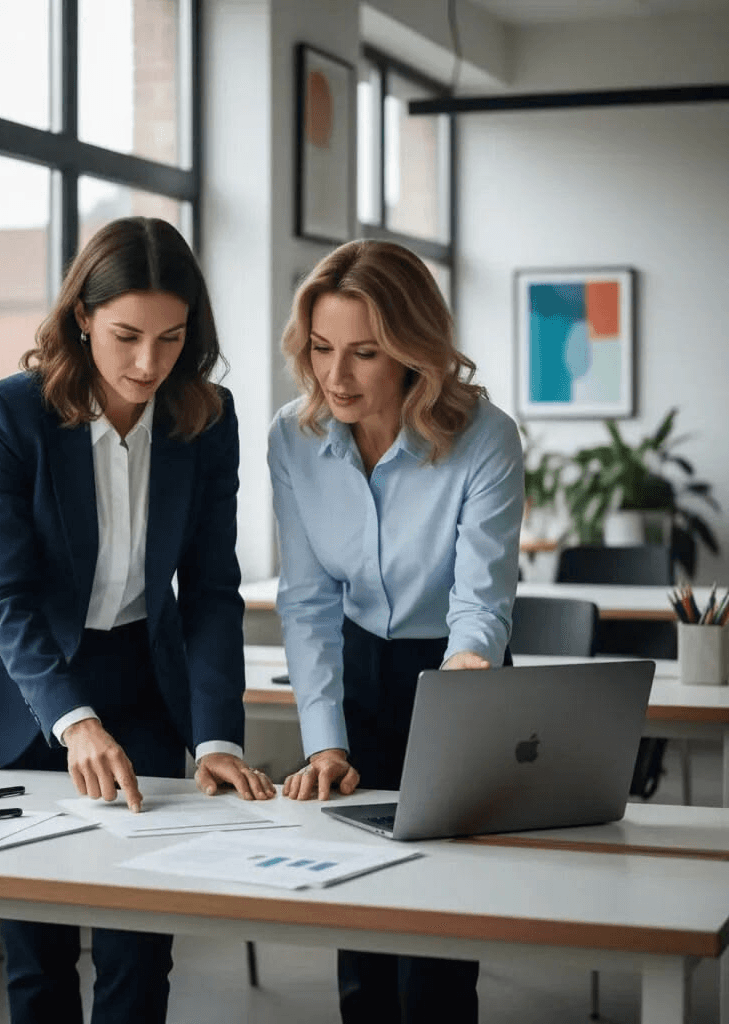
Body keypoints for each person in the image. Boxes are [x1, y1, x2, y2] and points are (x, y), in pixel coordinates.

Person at [0, 216, 275, 1024]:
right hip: (27, 689)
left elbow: (212, 587)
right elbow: (5, 593)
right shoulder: (12, 413)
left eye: (172, 338)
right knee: (37, 947)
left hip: (142, 681)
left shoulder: (206, 417)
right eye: (126, 336)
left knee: (140, 938)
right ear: (83, 316)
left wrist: (217, 737)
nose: (150, 363)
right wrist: (73, 721)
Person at [267, 240, 523, 1024]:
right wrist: (325, 744)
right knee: (362, 915)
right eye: (320, 349)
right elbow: (307, 600)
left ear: (413, 352)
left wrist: (456, 722)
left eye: (364, 353)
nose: (335, 377)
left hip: (458, 668)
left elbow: (479, 604)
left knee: (438, 934)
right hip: (356, 663)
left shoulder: (485, 436)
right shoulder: (295, 436)